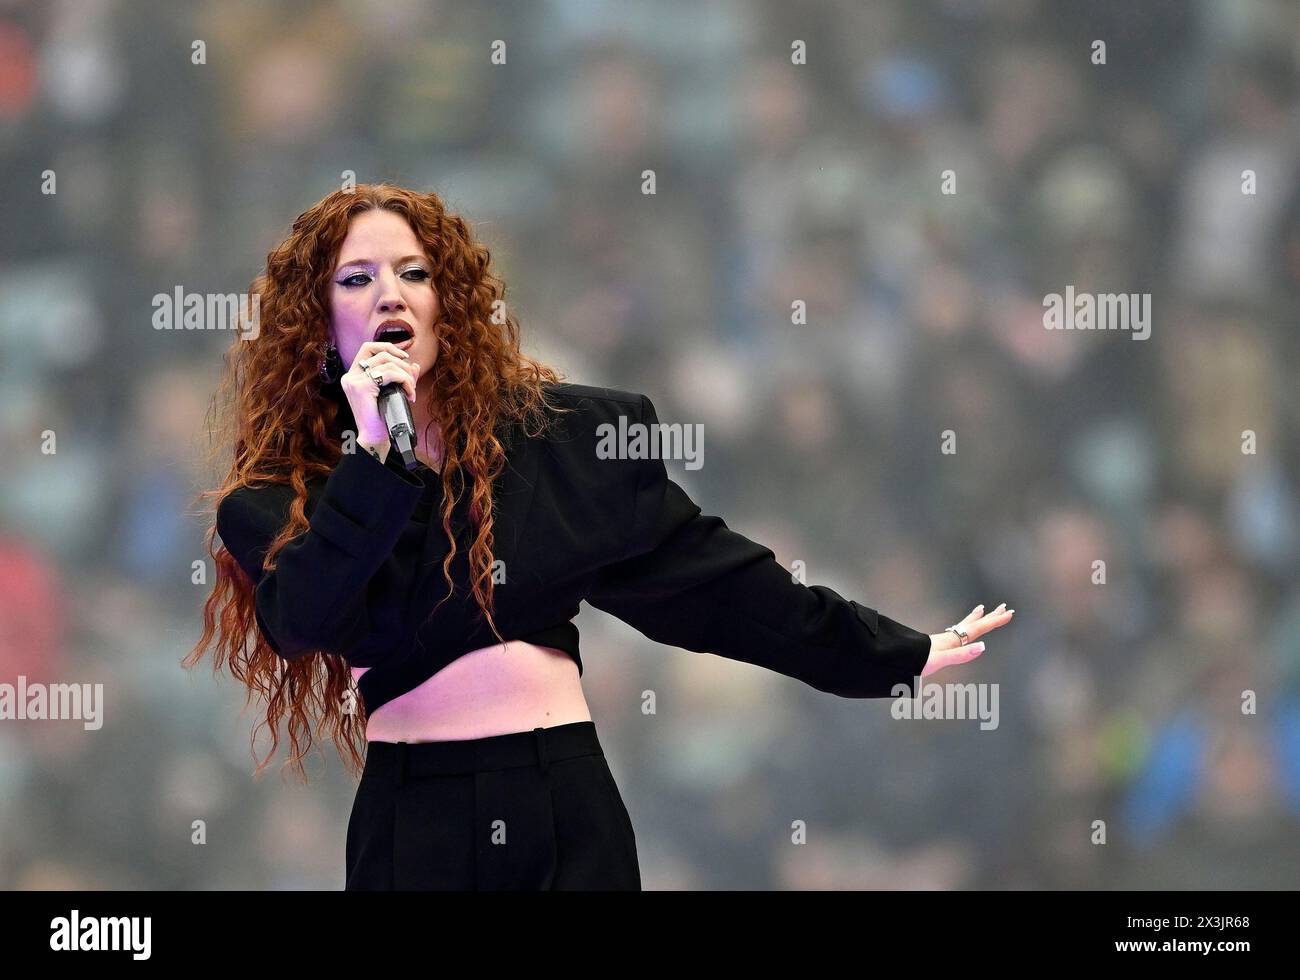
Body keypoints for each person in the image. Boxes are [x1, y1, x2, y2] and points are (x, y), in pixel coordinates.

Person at [187, 182, 1014, 890]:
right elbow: (302, 617)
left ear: (453, 302)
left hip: (561, 798)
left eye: (414, 273)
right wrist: (374, 453)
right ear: (318, 323)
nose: (390, 296)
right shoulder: (280, 498)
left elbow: (723, 591)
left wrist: (895, 653)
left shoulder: (565, 442)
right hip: (416, 815)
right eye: (356, 280)